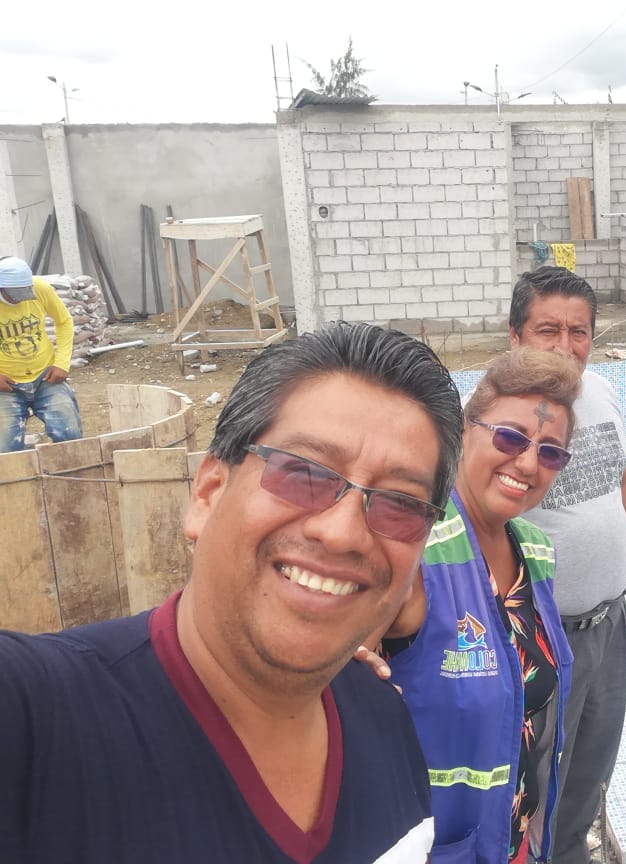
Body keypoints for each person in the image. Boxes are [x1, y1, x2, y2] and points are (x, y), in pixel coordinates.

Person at [0, 322, 463, 863]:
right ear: (208, 492)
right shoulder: (37, 720)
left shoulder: (385, 720)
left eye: (400, 504)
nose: (341, 532)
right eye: (303, 473)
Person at [381, 348, 581, 864]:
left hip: (513, 839)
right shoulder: (413, 552)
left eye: (551, 452)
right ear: (465, 430)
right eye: (510, 437)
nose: (528, 463)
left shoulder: (535, 553)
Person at [507, 266, 626, 864]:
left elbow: (624, 479)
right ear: (516, 336)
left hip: (609, 621)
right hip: (542, 634)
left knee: (594, 760)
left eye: (579, 331)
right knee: (536, 769)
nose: (566, 346)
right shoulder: (494, 415)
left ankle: (571, 851)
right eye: (548, 330)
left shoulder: (600, 391)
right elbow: (472, 521)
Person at [0, 256, 83, 452]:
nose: (22, 298)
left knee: (71, 438)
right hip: (6, 385)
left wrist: (62, 363)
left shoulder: (40, 288)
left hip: (45, 377)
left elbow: (64, 321)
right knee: (6, 451)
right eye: (15, 294)